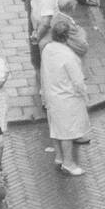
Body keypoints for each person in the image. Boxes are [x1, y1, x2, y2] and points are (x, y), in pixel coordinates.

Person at [40, 17, 88, 175]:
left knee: (55, 128)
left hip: (51, 95)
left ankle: (59, 157)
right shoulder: (68, 56)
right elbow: (78, 82)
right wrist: (84, 95)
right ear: (67, 37)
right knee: (67, 131)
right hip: (67, 99)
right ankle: (68, 163)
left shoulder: (47, 49)